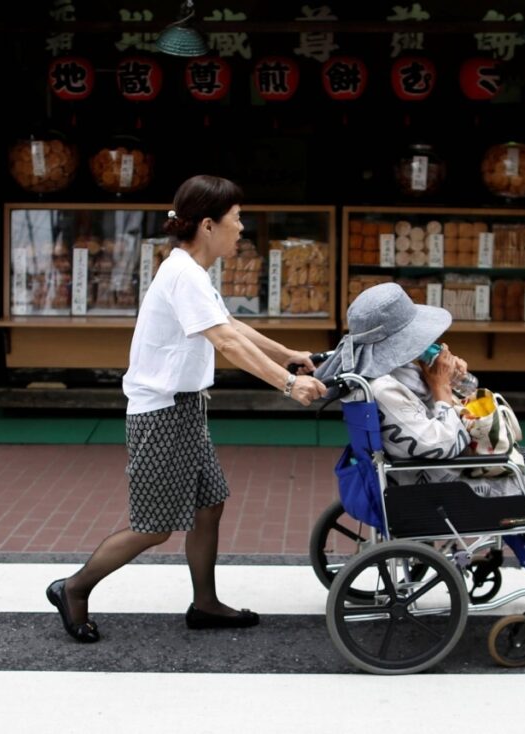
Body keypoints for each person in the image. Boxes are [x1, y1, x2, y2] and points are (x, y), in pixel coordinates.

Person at [47, 175, 327, 643]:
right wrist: (287, 383)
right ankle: (73, 588)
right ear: (207, 225)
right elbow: (224, 342)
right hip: (160, 415)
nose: (242, 229)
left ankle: (205, 604)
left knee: (209, 506)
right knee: (154, 528)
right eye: (236, 220)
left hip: (185, 410)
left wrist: (287, 354)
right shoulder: (182, 275)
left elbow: (230, 326)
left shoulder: (192, 273)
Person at [314, 282, 525, 614]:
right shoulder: (386, 388)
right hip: (431, 489)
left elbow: (452, 410)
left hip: (420, 478)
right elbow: (439, 445)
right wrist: (440, 388)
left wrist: (456, 380)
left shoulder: (390, 371)